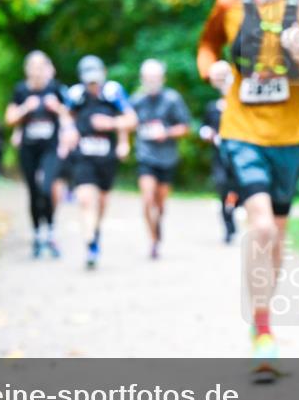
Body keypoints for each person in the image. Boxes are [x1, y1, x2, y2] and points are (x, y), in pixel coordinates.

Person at [197, 0, 299, 382]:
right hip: (240, 129)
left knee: (276, 233)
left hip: (289, 135)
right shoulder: (229, 4)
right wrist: (213, 68)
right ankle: (262, 330)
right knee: (260, 226)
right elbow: (206, 46)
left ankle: (263, 316)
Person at [4, 50, 76, 259]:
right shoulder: (20, 91)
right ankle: (37, 236)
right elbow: (10, 119)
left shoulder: (55, 89)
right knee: (34, 193)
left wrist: (58, 110)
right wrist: (26, 108)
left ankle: (51, 231)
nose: (36, 71)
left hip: (50, 148)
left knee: (47, 188)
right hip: (29, 149)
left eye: (40, 66)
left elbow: (70, 116)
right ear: (27, 69)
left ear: (46, 68)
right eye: (33, 67)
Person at [67, 55, 137, 269]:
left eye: (96, 81)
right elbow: (66, 116)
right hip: (83, 155)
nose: (93, 86)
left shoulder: (113, 93)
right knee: (85, 199)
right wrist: (68, 131)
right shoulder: (76, 95)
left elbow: (131, 120)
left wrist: (112, 125)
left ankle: (95, 234)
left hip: (106, 157)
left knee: (103, 202)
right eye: (89, 82)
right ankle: (90, 244)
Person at [130, 58, 192, 260]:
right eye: (148, 77)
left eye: (155, 77)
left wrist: (166, 132)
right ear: (142, 78)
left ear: (162, 78)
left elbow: (185, 127)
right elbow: (127, 122)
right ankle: (153, 240)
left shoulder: (172, 99)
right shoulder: (136, 100)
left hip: (167, 158)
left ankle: (158, 226)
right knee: (147, 199)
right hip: (145, 156)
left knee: (160, 203)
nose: (152, 80)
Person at [199, 78, 239, 244]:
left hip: (239, 156)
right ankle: (229, 226)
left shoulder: (240, 108)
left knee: (237, 191)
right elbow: (203, 127)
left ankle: (233, 211)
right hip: (219, 156)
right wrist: (207, 134)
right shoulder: (213, 108)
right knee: (223, 188)